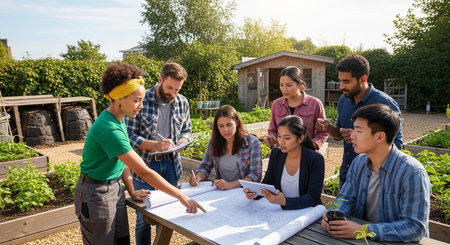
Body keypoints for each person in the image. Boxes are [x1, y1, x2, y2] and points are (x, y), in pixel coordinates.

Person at [73, 62, 205, 245]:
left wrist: (131, 190)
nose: (141, 106)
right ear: (119, 98)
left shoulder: (118, 120)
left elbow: (122, 160)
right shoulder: (109, 129)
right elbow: (143, 172)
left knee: (122, 240)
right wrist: (182, 196)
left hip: (114, 188)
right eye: (137, 100)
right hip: (95, 193)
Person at [321, 104, 430, 242]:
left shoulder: (412, 172)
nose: (352, 136)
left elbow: (415, 227)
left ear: (379, 137)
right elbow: (345, 199)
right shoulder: (359, 163)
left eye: (358, 131)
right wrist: (333, 216)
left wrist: (364, 230)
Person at [125, 62, 191, 245]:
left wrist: (182, 142)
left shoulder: (182, 102)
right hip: (145, 164)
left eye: (177, 89)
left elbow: (186, 131)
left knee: (166, 215)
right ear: (160, 80)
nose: (173, 93)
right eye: (170, 88)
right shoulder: (140, 100)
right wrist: (155, 145)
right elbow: (129, 136)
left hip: (171, 165)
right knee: (143, 218)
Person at [315, 54, 402, 186]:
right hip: (347, 172)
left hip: (374, 177)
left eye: (347, 82)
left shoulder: (384, 103)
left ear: (363, 79)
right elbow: (339, 135)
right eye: (340, 81)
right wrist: (329, 128)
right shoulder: (343, 100)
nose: (341, 86)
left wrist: (360, 137)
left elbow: (397, 145)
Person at [245, 115, 325, 210]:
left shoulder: (315, 159)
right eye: (279, 136)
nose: (281, 142)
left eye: (287, 138)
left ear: (300, 138)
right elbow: (268, 183)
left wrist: (285, 202)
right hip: (281, 211)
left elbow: (313, 197)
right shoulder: (276, 154)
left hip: (306, 212)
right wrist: (255, 193)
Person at [189, 105, 262, 190]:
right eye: (221, 126)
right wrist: (198, 177)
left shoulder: (252, 143)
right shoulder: (214, 142)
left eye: (229, 125)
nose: (225, 130)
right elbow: (205, 166)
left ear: (237, 123)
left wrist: (231, 184)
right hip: (221, 190)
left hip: (244, 192)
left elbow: (255, 175)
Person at [264, 66, 328, 151]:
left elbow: (323, 132)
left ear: (300, 84)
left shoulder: (315, 104)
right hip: (283, 154)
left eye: (289, 85)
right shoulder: (276, 104)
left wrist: (313, 144)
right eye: (281, 85)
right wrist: (271, 138)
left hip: (306, 154)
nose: (284, 89)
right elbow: (273, 130)